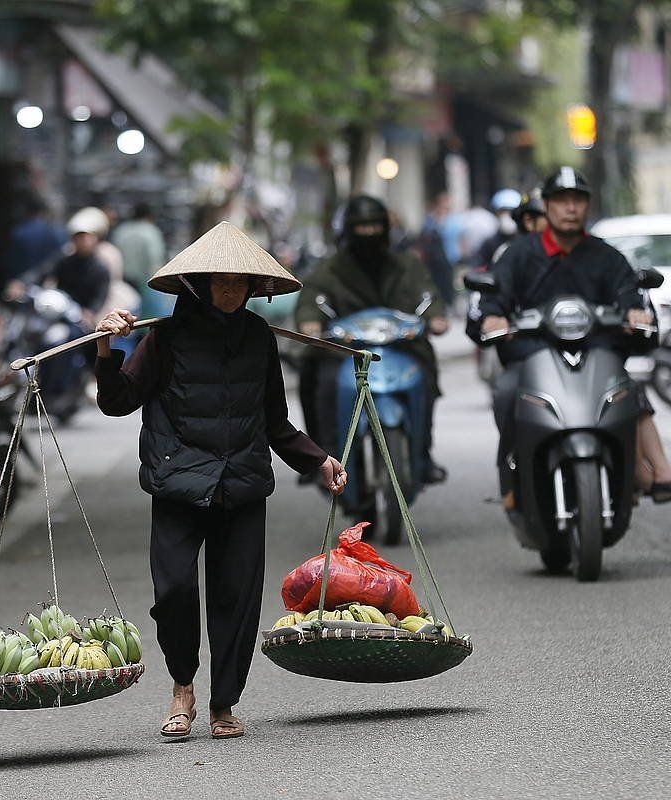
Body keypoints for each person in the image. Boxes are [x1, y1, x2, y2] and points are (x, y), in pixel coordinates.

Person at [94, 222, 347, 740]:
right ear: (200, 285)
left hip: (243, 485)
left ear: (253, 289)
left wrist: (318, 461)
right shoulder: (162, 337)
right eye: (221, 282)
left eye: (240, 283)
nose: (231, 291)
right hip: (177, 485)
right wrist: (104, 350)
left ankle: (223, 702)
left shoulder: (258, 337)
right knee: (175, 591)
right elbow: (117, 401)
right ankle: (182, 686)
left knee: (237, 597)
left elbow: (275, 420)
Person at [470, 168, 671, 507]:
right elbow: (493, 298)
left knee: (628, 390)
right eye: (562, 201)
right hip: (533, 355)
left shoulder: (606, 256)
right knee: (506, 393)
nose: (570, 208)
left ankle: (636, 471)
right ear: (547, 206)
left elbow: (629, 293)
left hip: (596, 354)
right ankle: (515, 478)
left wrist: (636, 311)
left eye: (577, 200)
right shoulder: (518, 254)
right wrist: (492, 316)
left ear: (587, 206)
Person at [295, 195, 450, 483]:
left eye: (374, 226)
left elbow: (429, 296)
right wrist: (310, 323)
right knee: (318, 376)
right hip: (344, 352)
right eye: (362, 227)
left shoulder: (408, 265)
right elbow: (310, 300)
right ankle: (321, 456)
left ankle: (423, 453)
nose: (368, 234)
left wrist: (437, 317)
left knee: (425, 377)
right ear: (348, 231)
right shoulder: (329, 270)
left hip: (401, 348)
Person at [5, 196, 66, 291]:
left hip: (22, 285)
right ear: (44, 211)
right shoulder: (57, 232)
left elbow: (11, 262)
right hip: (49, 286)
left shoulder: (18, 232)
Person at [111, 204, 167, 292]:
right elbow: (155, 259)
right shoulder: (151, 231)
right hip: (145, 282)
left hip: (123, 281)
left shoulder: (121, 230)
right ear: (149, 216)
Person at [475, 188, 523, 268]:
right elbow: (478, 267)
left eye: (510, 212)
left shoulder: (527, 241)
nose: (506, 216)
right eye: (502, 212)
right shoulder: (489, 244)